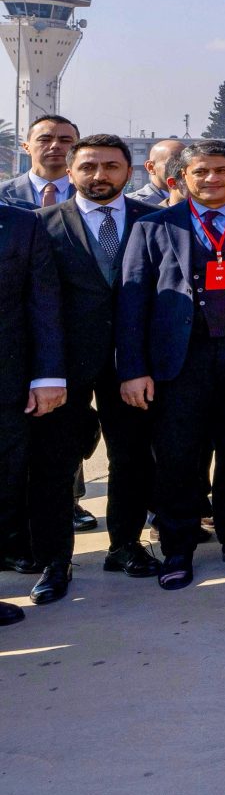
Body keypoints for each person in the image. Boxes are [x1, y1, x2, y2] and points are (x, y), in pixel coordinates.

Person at [117, 140, 225, 590]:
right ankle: (177, 546)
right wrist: (133, 369)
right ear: (182, 178)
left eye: (221, 170)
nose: (212, 179)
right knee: (177, 457)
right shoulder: (154, 226)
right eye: (201, 172)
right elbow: (133, 302)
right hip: (178, 362)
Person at [28, 135, 154, 599]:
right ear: (70, 171)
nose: (100, 175)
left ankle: (125, 544)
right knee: (55, 464)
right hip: (63, 366)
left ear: (129, 172)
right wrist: (43, 371)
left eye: (111, 166)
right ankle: (55, 560)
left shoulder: (152, 221)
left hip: (133, 363)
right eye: (88, 167)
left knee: (132, 457)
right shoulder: (40, 224)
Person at [0, 181, 63, 620]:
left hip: (7, 383)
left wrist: (47, 375)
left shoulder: (22, 225)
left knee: (4, 486)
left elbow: (42, 302)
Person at [3, 114, 79, 208]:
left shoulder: (91, 194)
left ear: (78, 148)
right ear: (26, 147)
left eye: (65, 140)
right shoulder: (2, 194)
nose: (55, 145)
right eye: (45, 140)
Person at [129, 137, 184, 207]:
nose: (182, 168)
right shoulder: (130, 204)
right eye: (174, 163)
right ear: (151, 167)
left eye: (186, 163)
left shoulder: (195, 201)